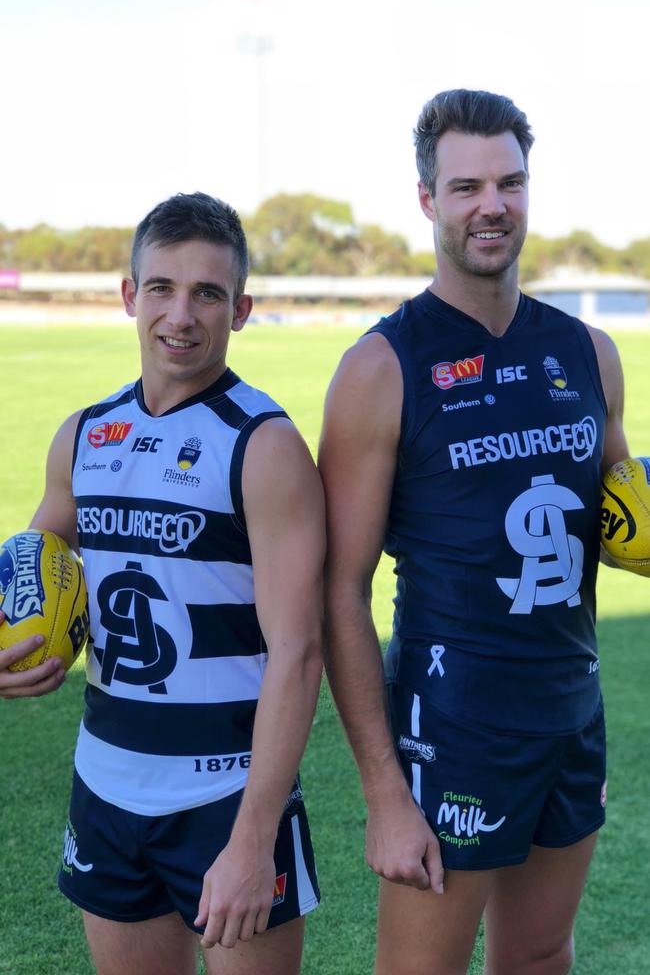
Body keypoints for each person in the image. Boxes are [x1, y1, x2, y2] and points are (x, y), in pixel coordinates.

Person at [318, 89, 629, 975]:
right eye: (465, 188)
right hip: (451, 727)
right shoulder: (382, 367)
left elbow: (619, 519)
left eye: (509, 183)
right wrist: (384, 788)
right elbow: (342, 587)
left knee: (538, 957)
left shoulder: (587, 353)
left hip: (571, 713)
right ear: (428, 200)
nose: (491, 205)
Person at [0, 192, 324, 975]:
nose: (182, 315)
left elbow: (299, 651)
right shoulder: (84, 434)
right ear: (127, 295)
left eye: (208, 293)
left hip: (227, 796)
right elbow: (32, 556)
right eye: (162, 288)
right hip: (105, 785)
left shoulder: (264, 445)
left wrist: (252, 840)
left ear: (240, 309)